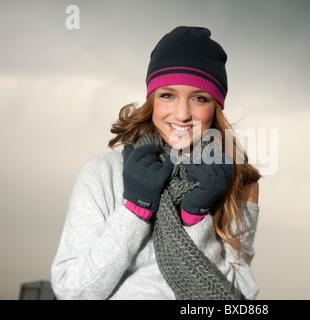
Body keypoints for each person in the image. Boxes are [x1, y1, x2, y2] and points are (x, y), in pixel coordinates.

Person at [51, 26, 261, 300]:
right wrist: (135, 209)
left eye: (200, 98)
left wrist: (197, 218)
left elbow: (239, 298)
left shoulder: (239, 183)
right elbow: (71, 292)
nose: (183, 114)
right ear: (152, 99)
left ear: (216, 107)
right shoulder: (102, 173)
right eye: (167, 95)